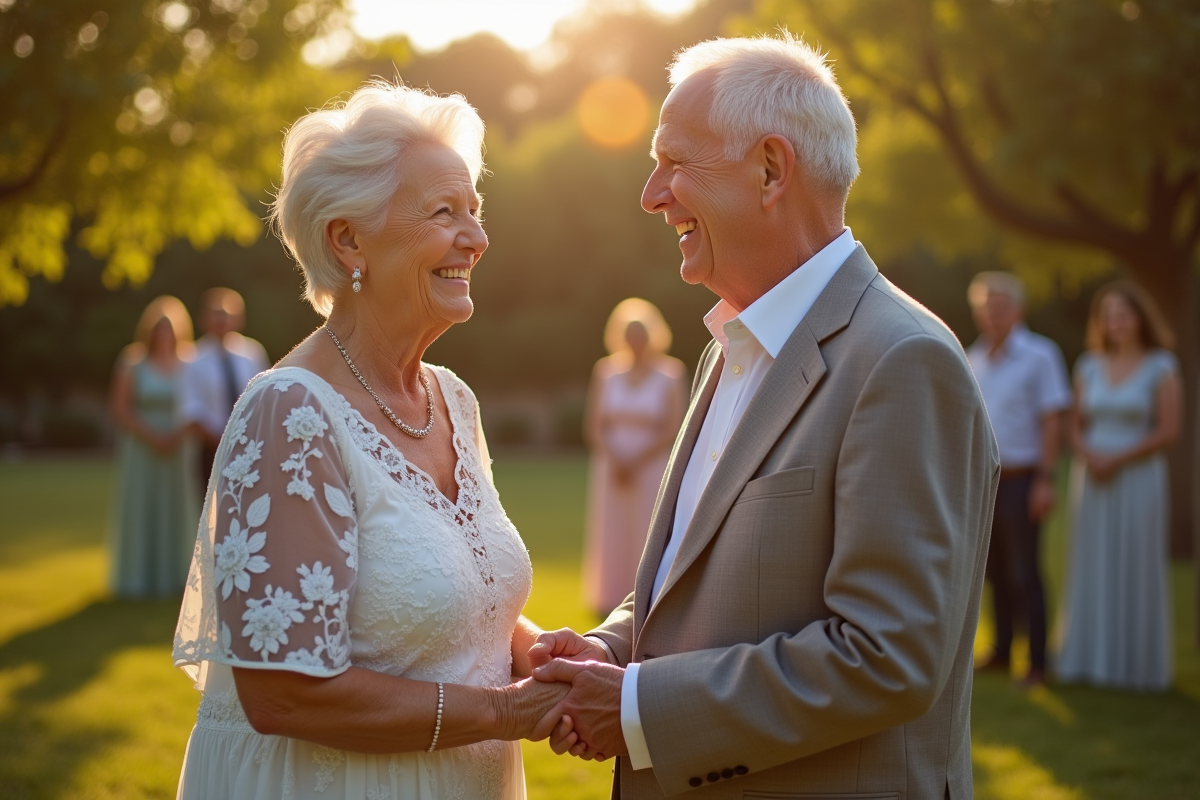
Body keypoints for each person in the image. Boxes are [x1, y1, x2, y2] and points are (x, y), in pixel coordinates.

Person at [528, 33, 999, 800]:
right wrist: (608, 652)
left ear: (770, 169)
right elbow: (700, 574)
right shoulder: (729, 347)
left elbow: (887, 655)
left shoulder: (903, 360)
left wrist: (640, 709)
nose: (652, 194)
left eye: (674, 161)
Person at [172, 83, 572, 799]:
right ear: (347, 238)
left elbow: (456, 595)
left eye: (475, 212)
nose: (475, 237)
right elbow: (284, 696)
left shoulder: (454, 400)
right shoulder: (289, 415)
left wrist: (533, 653)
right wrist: (506, 712)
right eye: (443, 212)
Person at [1056, 281, 1182, 691]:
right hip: (1091, 476)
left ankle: (1134, 666)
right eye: (1108, 315)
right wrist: (1089, 454)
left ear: (1140, 317)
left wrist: (1117, 458)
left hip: (1138, 478)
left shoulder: (1162, 366)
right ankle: (1088, 659)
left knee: (1134, 559)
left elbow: (1169, 431)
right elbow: (1074, 425)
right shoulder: (1088, 366)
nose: (1116, 322)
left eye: (1123, 314)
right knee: (1092, 560)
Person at [965, 271, 1072, 687]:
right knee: (992, 572)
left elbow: (1051, 421)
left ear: (1018, 310)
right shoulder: (973, 357)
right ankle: (1003, 650)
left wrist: (1046, 479)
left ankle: (1039, 661)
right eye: (986, 308)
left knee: (1026, 572)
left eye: (1001, 307)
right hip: (985, 482)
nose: (993, 315)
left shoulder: (1040, 355)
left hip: (1025, 479)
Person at [582, 299, 686, 615]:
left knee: (648, 528)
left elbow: (675, 427)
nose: (636, 341)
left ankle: (649, 593)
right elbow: (594, 425)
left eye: (641, 334)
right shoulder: (606, 371)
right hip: (611, 466)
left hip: (651, 466)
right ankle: (609, 596)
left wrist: (636, 460)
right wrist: (616, 458)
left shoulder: (671, 373)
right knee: (613, 529)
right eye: (630, 334)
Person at [108, 295, 199, 598]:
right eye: (159, 328)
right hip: (143, 448)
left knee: (177, 509)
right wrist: (153, 436)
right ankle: (138, 578)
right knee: (143, 506)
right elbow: (121, 409)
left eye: (169, 328)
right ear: (149, 330)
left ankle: (175, 577)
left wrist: (176, 436)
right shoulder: (132, 361)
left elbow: (198, 405)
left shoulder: (191, 362)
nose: (164, 334)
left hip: (179, 447)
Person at [180, 287, 269, 494]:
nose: (222, 320)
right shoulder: (194, 359)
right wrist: (223, 439)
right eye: (216, 314)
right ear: (204, 319)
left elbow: (262, 397)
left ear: (239, 318)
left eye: (228, 314)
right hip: (211, 450)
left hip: (249, 445)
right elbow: (191, 410)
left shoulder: (252, 353)